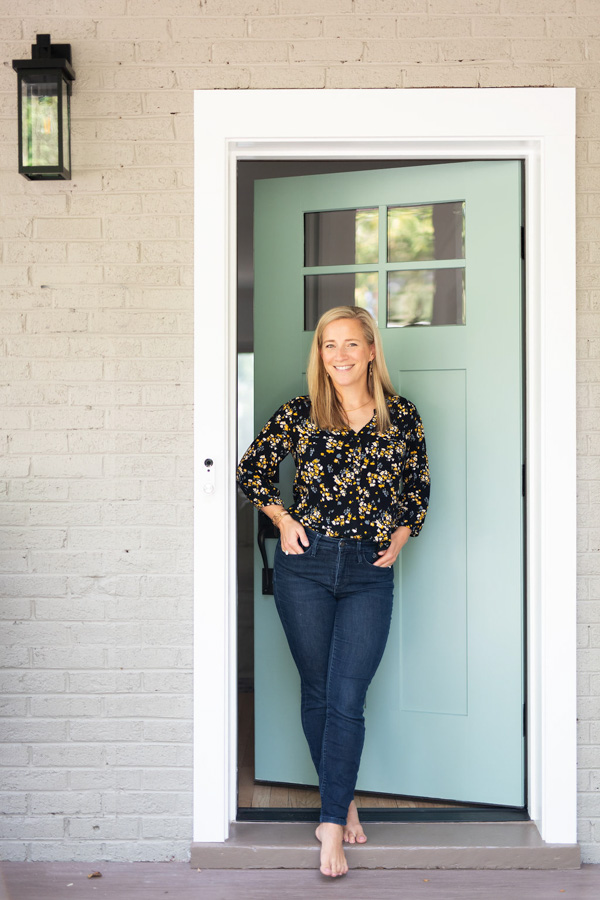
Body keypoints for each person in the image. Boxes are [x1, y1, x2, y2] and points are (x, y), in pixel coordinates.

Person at [236, 305, 430, 877]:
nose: (339, 355)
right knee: (320, 691)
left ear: (370, 351)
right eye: (329, 345)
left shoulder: (402, 416)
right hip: (307, 565)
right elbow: (251, 470)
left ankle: (331, 811)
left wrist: (402, 534)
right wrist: (282, 519)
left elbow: (417, 487)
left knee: (348, 696)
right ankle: (336, 812)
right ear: (319, 355)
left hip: (369, 570)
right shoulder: (301, 413)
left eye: (350, 344)